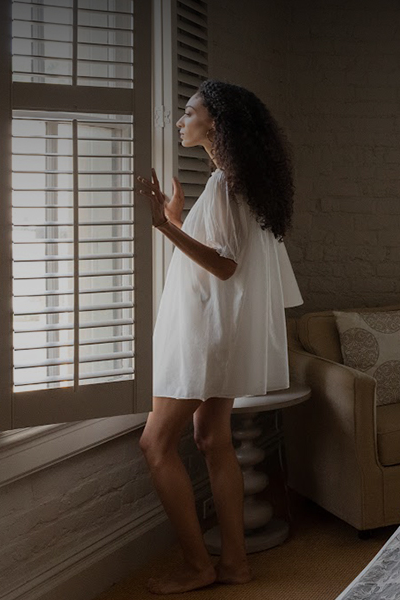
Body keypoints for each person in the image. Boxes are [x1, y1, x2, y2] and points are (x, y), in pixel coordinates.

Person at [133, 79, 301, 595]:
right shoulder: (236, 183)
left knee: (155, 443)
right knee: (212, 438)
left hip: (205, 332)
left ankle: (197, 566)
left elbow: (226, 267)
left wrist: (164, 227)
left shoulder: (227, 185)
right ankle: (234, 564)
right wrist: (179, 221)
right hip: (218, 329)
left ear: (217, 122)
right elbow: (224, 258)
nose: (180, 121)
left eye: (190, 112)